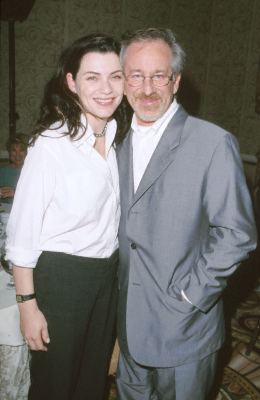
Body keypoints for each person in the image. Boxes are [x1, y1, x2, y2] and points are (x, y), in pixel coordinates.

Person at [116, 27, 257, 400]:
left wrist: (191, 298)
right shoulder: (116, 142)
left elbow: (237, 234)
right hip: (127, 324)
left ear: (176, 81)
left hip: (183, 328)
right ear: (123, 81)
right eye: (136, 76)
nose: (147, 89)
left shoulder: (212, 143)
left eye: (158, 76)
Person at [5, 33, 125, 400]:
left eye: (116, 76)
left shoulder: (119, 133)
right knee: (55, 385)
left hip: (106, 276)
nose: (106, 88)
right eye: (92, 77)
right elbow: (21, 235)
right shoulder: (52, 144)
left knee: (92, 381)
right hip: (62, 279)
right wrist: (28, 308)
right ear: (71, 82)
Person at [0, 133, 29, 202]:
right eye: (14, 150)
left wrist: (16, 192)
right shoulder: (2, 171)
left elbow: (37, 194)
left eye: (21, 150)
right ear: (9, 152)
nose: (17, 155)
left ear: (27, 152)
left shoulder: (33, 171)